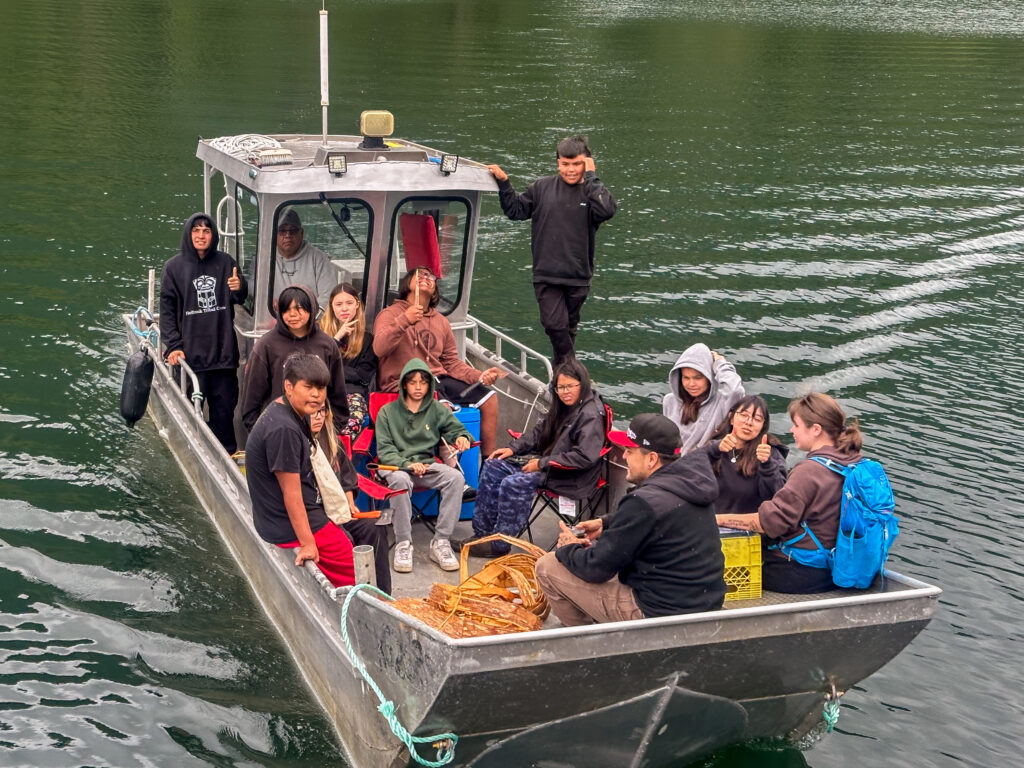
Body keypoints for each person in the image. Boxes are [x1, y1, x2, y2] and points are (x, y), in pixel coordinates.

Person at [535, 414, 726, 625]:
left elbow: (595, 569)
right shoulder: (692, 485)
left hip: (658, 614)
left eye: (629, 451)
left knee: (547, 566)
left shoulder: (642, 501)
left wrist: (568, 548)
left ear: (651, 459)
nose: (623, 456)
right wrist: (606, 523)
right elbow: (659, 516)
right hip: (704, 605)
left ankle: (588, 645)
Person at [715, 392, 864, 594]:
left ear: (816, 429)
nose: (792, 430)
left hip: (799, 572)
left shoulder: (809, 471)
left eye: (797, 425)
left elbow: (770, 524)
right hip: (836, 566)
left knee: (716, 570)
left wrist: (717, 519)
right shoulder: (853, 461)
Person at [487, 135, 617, 365]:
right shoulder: (541, 187)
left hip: (578, 276)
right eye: (565, 164)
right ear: (558, 163)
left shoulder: (592, 193)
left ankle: (563, 381)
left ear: (587, 163)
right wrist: (504, 183)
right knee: (554, 325)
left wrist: (592, 177)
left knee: (567, 331)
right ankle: (572, 371)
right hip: (546, 274)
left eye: (577, 164)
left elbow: (607, 210)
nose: (570, 170)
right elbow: (515, 211)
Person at [467, 359, 606, 558]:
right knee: (493, 466)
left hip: (571, 477)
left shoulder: (591, 416)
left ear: (582, 384)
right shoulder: (563, 406)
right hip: (548, 465)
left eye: (570, 387)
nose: (565, 392)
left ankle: (500, 544)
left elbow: (584, 456)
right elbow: (539, 433)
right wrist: (512, 449)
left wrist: (541, 464)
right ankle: (482, 535)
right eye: (560, 388)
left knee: (514, 482)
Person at [244, 353, 354, 587]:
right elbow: (291, 494)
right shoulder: (283, 429)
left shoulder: (284, 410)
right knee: (347, 555)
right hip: (282, 523)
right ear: (289, 386)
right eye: (309, 387)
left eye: (322, 388)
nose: (317, 395)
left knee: (351, 536)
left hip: (280, 515)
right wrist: (307, 543)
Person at [373, 266, 504, 455]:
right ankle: (449, 465)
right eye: (419, 275)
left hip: (438, 379)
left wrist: (479, 375)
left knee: (489, 399)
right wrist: (405, 320)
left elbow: (451, 363)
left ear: (435, 288)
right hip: (402, 383)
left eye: (430, 276)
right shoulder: (390, 314)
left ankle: (488, 465)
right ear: (407, 284)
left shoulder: (441, 321)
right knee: (442, 407)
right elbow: (379, 348)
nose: (425, 278)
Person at [375, 358, 474, 574]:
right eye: (413, 382)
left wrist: (463, 437)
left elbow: (456, 429)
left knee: (455, 478)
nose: (418, 387)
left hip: (427, 465)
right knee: (400, 480)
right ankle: (403, 543)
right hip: (396, 466)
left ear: (429, 384)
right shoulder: (386, 412)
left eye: (423, 382)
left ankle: (440, 542)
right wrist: (408, 464)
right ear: (404, 384)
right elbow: (385, 451)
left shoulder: (437, 409)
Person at [159, 212, 248, 453]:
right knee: (190, 411)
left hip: (222, 357)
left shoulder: (227, 263)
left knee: (224, 411)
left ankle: (227, 454)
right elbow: (166, 312)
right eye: (196, 230)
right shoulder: (173, 268)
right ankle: (190, 451)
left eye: (206, 231)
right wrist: (173, 345)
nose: (201, 235)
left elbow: (239, 296)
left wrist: (240, 288)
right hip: (191, 358)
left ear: (213, 235)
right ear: (189, 234)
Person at [241, 286, 349, 435]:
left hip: (318, 431)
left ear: (312, 309)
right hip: (278, 431)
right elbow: (252, 398)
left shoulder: (327, 345)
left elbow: (337, 393)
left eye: (299, 308)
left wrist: (330, 432)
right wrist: (262, 434)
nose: (293, 314)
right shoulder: (266, 345)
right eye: (286, 309)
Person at [309, 401, 391, 593]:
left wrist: (350, 503)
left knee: (374, 529)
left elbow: (347, 478)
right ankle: (354, 593)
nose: (319, 417)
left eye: (323, 411)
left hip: (340, 510)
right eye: (314, 412)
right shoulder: (298, 443)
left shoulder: (331, 441)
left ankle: (383, 595)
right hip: (317, 516)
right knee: (345, 539)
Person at [702, 395, 788, 516]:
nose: (748, 422)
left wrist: (767, 465)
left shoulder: (770, 453)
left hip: (748, 529)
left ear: (763, 426)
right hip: (710, 525)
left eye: (757, 419)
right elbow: (689, 479)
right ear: (731, 418)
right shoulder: (713, 447)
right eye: (743, 415)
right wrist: (714, 450)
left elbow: (779, 497)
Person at [662, 342, 745, 454]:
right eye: (686, 378)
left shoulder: (721, 402)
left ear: (709, 377)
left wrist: (721, 364)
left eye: (698, 378)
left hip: (703, 466)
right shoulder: (670, 401)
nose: (691, 384)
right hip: (673, 464)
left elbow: (735, 390)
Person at [320, 283, 377, 436]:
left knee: (350, 423)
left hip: (352, 393)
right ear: (332, 307)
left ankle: (339, 456)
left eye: (349, 303)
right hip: (323, 390)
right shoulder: (320, 335)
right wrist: (336, 339)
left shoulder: (367, 339)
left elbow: (363, 375)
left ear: (357, 305)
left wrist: (333, 369)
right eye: (339, 304)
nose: (344, 308)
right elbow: (317, 366)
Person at [274, 207, 336, 309]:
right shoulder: (263, 258)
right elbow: (252, 289)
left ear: (301, 233)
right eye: (282, 230)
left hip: (311, 321)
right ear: (274, 233)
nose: (287, 235)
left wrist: (304, 315)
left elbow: (329, 296)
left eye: (293, 231)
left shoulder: (319, 258)